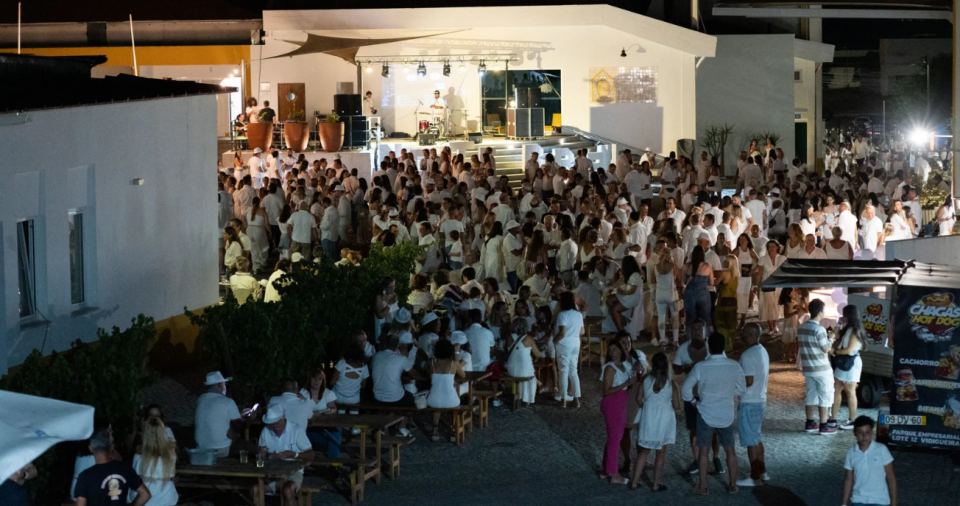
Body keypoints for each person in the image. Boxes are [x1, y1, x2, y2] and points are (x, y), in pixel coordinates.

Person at [682, 332, 746, 495]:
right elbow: (741, 389)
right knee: (730, 450)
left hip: (705, 412)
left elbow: (686, 389)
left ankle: (703, 486)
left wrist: (693, 402)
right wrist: (728, 393)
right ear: (724, 346)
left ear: (709, 347)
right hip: (726, 413)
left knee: (703, 451)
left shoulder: (700, 366)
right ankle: (733, 484)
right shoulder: (734, 366)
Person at [629, 352, 679, 491]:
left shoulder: (645, 379)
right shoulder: (671, 383)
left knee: (644, 451)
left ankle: (634, 482)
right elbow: (676, 405)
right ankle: (656, 484)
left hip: (649, 418)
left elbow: (638, 398)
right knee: (661, 452)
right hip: (664, 418)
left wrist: (647, 406)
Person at [253, 405, 314, 506]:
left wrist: (294, 454)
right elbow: (261, 453)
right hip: (274, 472)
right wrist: (263, 454)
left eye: (277, 423)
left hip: (294, 471)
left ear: (283, 417)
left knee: (287, 490)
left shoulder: (296, 430)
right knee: (255, 490)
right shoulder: (266, 430)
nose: (274, 427)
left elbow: (310, 455)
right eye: (271, 424)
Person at [75, 429, 151, 506]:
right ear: (112, 447)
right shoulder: (125, 469)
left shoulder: (85, 476)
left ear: (90, 448)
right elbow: (145, 495)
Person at [736, 323, 771, 488]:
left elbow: (748, 380)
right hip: (760, 399)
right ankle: (763, 471)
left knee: (750, 440)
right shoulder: (762, 351)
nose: (742, 336)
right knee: (757, 437)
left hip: (749, 401)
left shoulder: (747, 355)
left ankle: (755, 477)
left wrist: (734, 383)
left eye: (744, 333)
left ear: (749, 335)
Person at [598, 340, 637, 484]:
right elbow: (606, 391)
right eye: (610, 350)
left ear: (620, 350)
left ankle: (606, 469)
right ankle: (614, 473)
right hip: (613, 402)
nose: (612, 352)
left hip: (621, 401)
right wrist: (626, 384)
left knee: (613, 437)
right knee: (615, 439)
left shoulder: (625, 365)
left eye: (615, 349)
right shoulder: (610, 368)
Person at [799, 298, 838, 435]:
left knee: (811, 395)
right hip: (821, 369)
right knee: (825, 395)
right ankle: (824, 425)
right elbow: (826, 348)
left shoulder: (802, 327)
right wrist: (831, 338)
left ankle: (810, 423)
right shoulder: (819, 329)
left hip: (808, 368)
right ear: (820, 312)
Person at [371, 332, 419, 436]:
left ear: (385, 344)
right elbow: (415, 375)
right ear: (397, 345)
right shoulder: (401, 359)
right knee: (412, 401)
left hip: (377, 397)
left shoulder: (376, 356)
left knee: (394, 398)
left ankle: (385, 427)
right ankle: (402, 428)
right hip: (395, 398)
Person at [842, 416, 897, 506]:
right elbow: (848, 480)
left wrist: (894, 503)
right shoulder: (851, 453)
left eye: (867, 432)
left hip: (880, 500)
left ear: (872, 432)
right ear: (854, 433)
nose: (864, 436)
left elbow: (891, 477)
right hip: (858, 499)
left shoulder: (881, 449)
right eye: (860, 432)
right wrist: (844, 504)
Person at [195, 371, 249, 457]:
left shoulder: (200, 400)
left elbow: (217, 417)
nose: (225, 387)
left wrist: (238, 415)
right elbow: (238, 428)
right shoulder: (228, 402)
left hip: (201, 447)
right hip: (221, 449)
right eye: (225, 384)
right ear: (220, 384)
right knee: (247, 446)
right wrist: (248, 419)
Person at [131, 418, 178, 506]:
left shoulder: (139, 452)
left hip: (143, 496)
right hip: (166, 495)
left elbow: (134, 473)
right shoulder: (170, 451)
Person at [832, 304, 865, 431]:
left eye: (844, 315)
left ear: (849, 316)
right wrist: (838, 325)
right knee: (836, 390)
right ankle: (832, 418)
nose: (843, 317)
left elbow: (849, 350)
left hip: (851, 363)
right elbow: (835, 337)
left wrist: (834, 352)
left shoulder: (855, 331)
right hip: (844, 362)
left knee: (850, 392)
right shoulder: (848, 328)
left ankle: (852, 420)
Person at [426, 339, 466, 441]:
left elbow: (427, 374)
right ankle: (452, 428)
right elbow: (463, 375)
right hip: (451, 400)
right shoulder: (453, 363)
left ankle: (435, 430)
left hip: (433, 400)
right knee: (453, 401)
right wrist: (457, 353)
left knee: (437, 400)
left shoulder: (431, 362)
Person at [301, 369, 340, 457]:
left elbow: (333, 408)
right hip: (307, 429)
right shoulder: (303, 393)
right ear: (309, 379)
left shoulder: (327, 393)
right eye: (314, 378)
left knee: (336, 434)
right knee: (334, 439)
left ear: (323, 381)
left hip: (325, 428)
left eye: (319, 379)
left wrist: (329, 411)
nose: (316, 381)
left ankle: (334, 462)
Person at [554, 291, 584, 408]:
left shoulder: (562, 314)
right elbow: (582, 331)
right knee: (573, 372)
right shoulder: (578, 314)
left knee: (563, 371)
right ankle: (576, 399)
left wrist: (555, 340)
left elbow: (562, 333)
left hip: (564, 344)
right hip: (576, 344)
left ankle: (563, 399)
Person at [505, 318, 541, 406]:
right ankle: (527, 399)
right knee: (531, 375)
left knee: (523, 371)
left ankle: (518, 397)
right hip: (525, 371)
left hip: (511, 370)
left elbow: (506, 352)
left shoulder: (508, 338)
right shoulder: (529, 338)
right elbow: (538, 354)